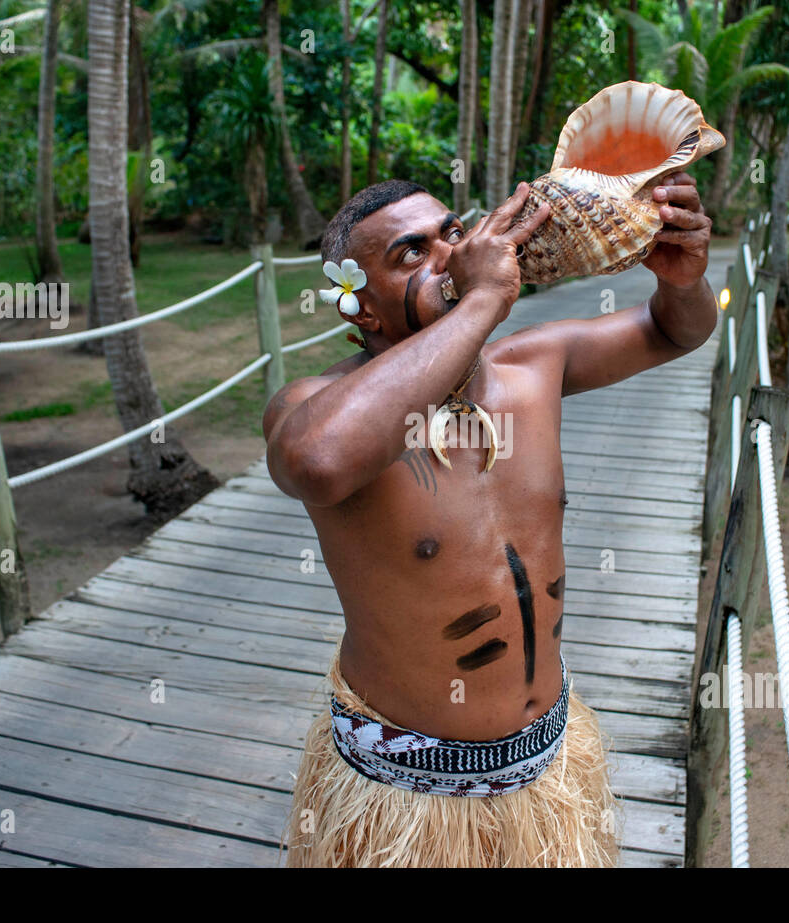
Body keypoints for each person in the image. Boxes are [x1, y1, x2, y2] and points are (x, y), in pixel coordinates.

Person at [265, 174, 716, 867]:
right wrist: (481, 297)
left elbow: (671, 329)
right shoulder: (317, 406)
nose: (452, 253)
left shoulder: (533, 364)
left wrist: (682, 279)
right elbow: (320, 462)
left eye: (452, 232)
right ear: (363, 313)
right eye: (411, 254)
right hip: (403, 804)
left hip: (546, 775)